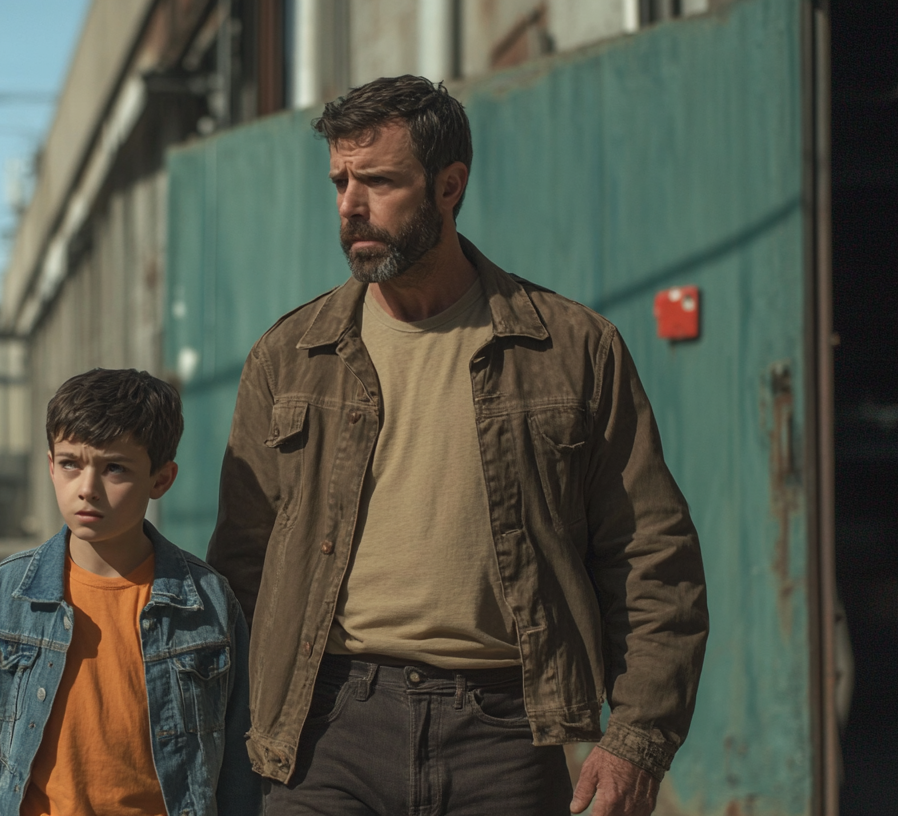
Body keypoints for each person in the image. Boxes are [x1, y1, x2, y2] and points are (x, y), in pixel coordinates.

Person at [206, 75, 708, 816]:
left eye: (378, 181)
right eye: (341, 180)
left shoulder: (570, 350)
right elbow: (240, 572)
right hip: (328, 729)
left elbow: (651, 558)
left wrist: (636, 738)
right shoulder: (290, 357)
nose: (350, 203)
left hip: (505, 731)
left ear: (449, 185)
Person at [0, 368, 260, 816]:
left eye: (115, 468)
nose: (87, 489)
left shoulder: (206, 602)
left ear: (161, 480)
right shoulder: (5, 594)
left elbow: (239, 766)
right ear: (50, 466)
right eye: (70, 463)